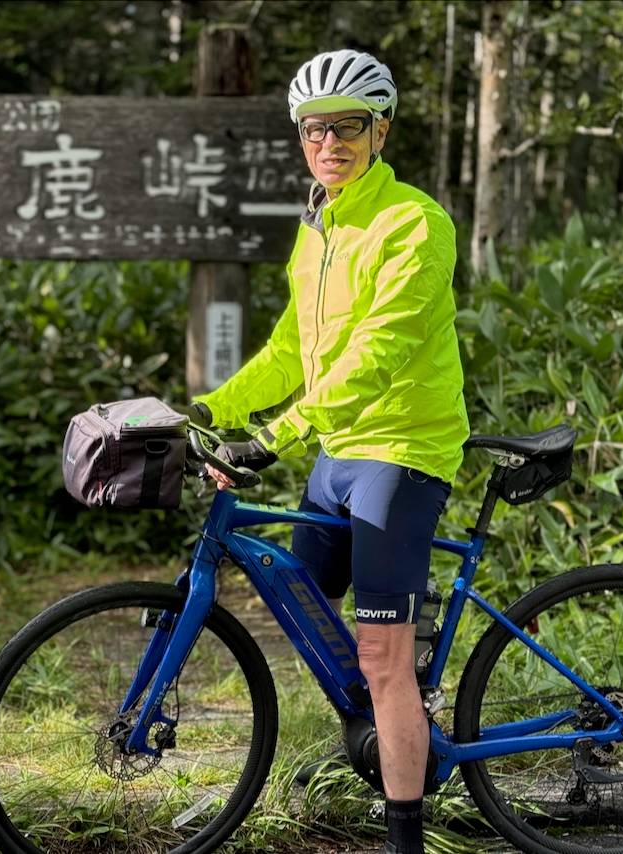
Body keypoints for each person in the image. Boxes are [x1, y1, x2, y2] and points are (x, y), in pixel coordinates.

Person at [186, 49, 469, 854]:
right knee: (307, 603)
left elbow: (376, 353)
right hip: (338, 450)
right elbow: (291, 350)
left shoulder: (415, 223)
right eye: (315, 129)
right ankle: (387, 725)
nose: (329, 142)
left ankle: (404, 831)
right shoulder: (321, 226)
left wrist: (278, 434)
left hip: (400, 452)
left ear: (380, 129)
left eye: (347, 126)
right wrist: (214, 405)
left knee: (381, 656)